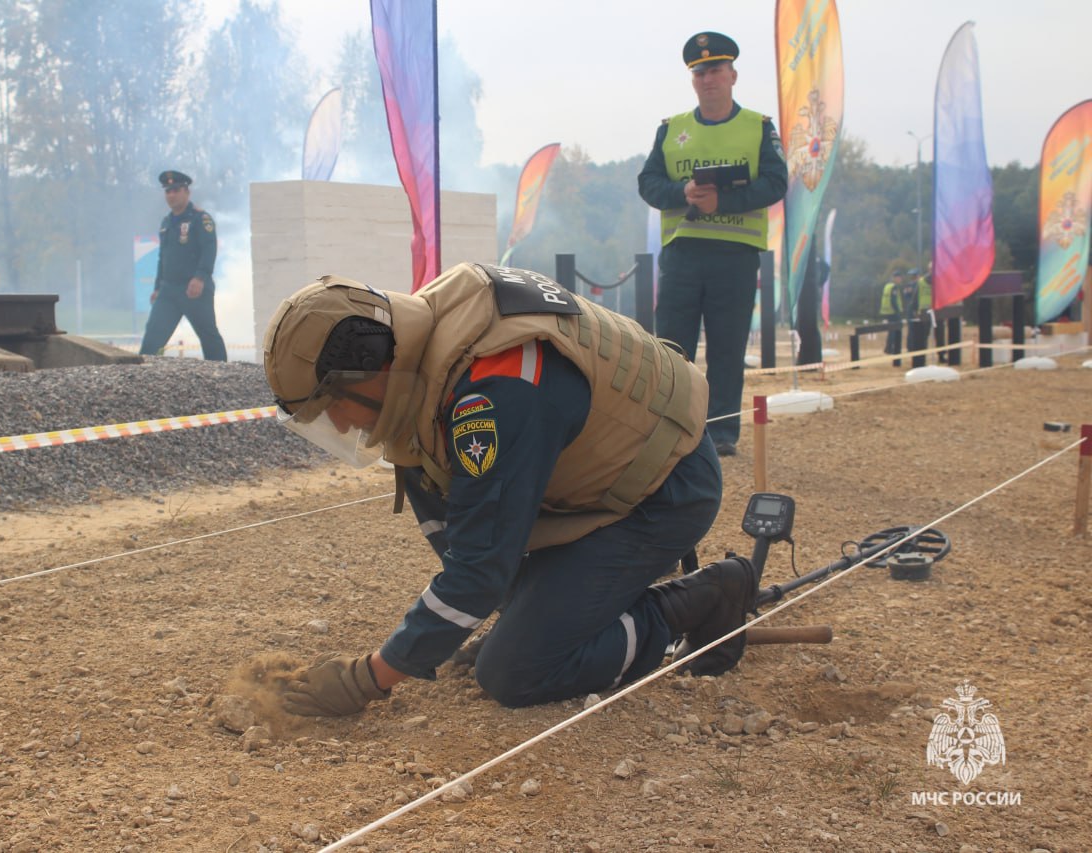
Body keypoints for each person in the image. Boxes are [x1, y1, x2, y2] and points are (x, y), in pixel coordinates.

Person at [263, 263, 759, 716]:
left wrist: (368, 679)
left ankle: (698, 599)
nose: (337, 422)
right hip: (594, 479)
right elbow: (465, 542)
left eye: (330, 404)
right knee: (510, 615)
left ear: (370, 363)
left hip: (665, 488)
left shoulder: (492, 390)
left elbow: (479, 570)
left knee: (515, 671)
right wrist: (473, 615)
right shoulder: (421, 358)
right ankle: (554, 620)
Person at [638, 31, 788, 458]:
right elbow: (648, 183)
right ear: (692, 80)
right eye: (700, 72)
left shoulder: (758, 127)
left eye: (716, 70)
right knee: (671, 347)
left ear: (733, 75)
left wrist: (726, 200)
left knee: (727, 347)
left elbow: (777, 182)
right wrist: (681, 193)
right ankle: (669, 429)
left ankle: (721, 431)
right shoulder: (671, 130)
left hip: (734, 256)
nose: (708, 79)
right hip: (683, 254)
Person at [138, 170, 227, 361]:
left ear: (187, 192)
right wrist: (157, 287)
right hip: (168, 290)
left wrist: (200, 277)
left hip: (193, 288)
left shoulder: (200, 219)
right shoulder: (166, 222)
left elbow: (209, 249)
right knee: (153, 338)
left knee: (208, 335)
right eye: (168, 191)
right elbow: (164, 257)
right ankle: (141, 377)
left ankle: (224, 374)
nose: (171, 195)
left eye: (176, 190)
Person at [794, 237, 828, 366]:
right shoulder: (809, 256)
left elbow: (826, 268)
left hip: (809, 296)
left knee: (809, 327)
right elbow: (826, 268)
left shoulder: (811, 257)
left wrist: (819, 283)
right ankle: (810, 357)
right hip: (806, 295)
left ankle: (813, 358)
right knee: (806, 327)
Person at [879, 269, 907, 362]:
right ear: (895, 278)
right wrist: (898, 311)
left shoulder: (887, 286)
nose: (900, 279)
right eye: (899, 278)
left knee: (891, 331)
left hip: (887, 311)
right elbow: (893, 300)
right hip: (893, 312)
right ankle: (890, 348)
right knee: (894, 331)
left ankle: (888, 347)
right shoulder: (894, 287)